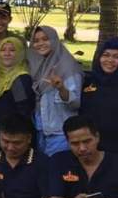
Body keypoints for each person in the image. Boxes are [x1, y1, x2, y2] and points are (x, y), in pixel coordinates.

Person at [28, 26, 83, 156]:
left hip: (60, 133)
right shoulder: (37, 65)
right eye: (36, 41)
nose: (40, 44)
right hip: (41, 130)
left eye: (45, 39)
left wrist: (61, 88)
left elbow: (75, 103)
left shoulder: (67, 67)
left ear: (54, 40)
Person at [79, 38, 118, 152]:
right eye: (106, 55)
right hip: (89, 147)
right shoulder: (88, 81)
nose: (110, 60)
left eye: (116, 57)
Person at [0, 36, 35, 125]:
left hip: (11, 133)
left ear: (20, 53)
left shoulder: (21, 79)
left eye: (12, 50)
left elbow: (23, 112)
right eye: (3, 50)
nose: (7, 53)